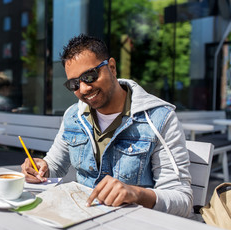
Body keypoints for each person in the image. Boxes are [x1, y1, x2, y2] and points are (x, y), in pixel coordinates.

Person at [21, 34, 193, 218]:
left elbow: (183, 201)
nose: (84, 88)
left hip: (137, 226)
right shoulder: (73, 116)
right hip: (81, 220)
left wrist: (136, 194)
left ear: (112, 67)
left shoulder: (159, 119)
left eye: (90, 76)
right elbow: (54, 165)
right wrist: (41, 166)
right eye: (74, 83)